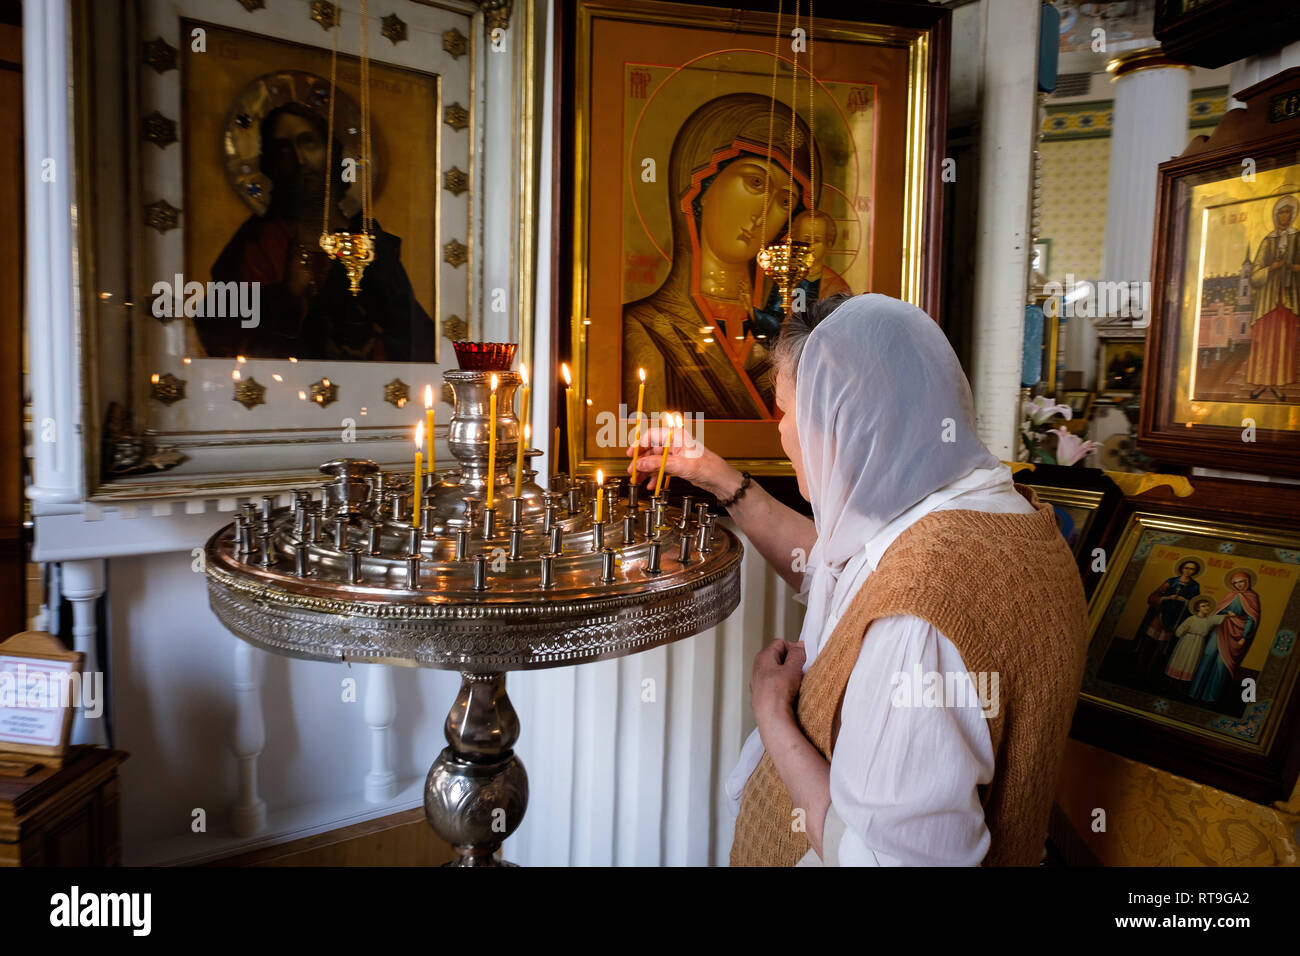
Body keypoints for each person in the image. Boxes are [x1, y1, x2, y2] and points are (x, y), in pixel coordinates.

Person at [627, 292, 1090, 866]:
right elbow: (842, 570)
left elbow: (884, 861)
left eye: (785, 410)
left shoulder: (918, 618)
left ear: (841, 419)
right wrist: (721, 481)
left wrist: (773, 714)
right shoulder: (992, 516)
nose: (782, 432)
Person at [622, 93, 819, 419]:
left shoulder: (791, 334)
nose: (763, 215)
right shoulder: (647, 330)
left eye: (785, 201)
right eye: (755, 182)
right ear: (699, 185)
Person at [208, 101, 436, 361]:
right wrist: (286, 296)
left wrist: (373, 344)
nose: (300, 159)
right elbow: (221, 338)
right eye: (283, 149)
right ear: (269, 164)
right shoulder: (255, 244)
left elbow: (417, 338)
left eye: (309, 143)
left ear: (332, 153)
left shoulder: (369, 241)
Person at [1245, 194, 1299, 401]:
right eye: (1281, 212)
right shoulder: (1268, 240)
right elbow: (1255, 273)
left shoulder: (1298, 237)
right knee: (1265, 340)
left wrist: (1296, 268)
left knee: (1284, 341)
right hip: (1268, 300)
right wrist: (1271, 268)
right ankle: (1261, 383)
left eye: (1287, 212)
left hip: (1288, 298)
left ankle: (1278, 383)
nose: (1284, 216)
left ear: (1292, 215)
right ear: (1276, 216)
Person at [1189, 570, 1261, 706]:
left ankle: (1211, 697)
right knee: (1207, 656)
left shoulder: (1252, 597)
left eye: (1241, 582)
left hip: (1236, 634)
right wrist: (1226, 612)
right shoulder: (1231, 595)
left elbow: (1251, 619)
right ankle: (1194, 692)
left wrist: (1243, 638)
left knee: (1222, 663)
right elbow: (1218, 610)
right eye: (1235, 583)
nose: (1238, 585)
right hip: (1220, 629)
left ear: (1247, 582)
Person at [1164, 596, 1226, 689]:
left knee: (1191, 661)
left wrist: (1230, 614)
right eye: (1203, 606)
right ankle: (1171, 682)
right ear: (1198, 608)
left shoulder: (1210, 619)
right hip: (1185, 642)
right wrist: (1184, 630)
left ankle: (1181, 684)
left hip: (1198, 644)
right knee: (1180, 660)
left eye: (1207, 606)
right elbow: (1177, 633)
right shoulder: (1191, 619)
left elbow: (1222, 618)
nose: (1206, 608)